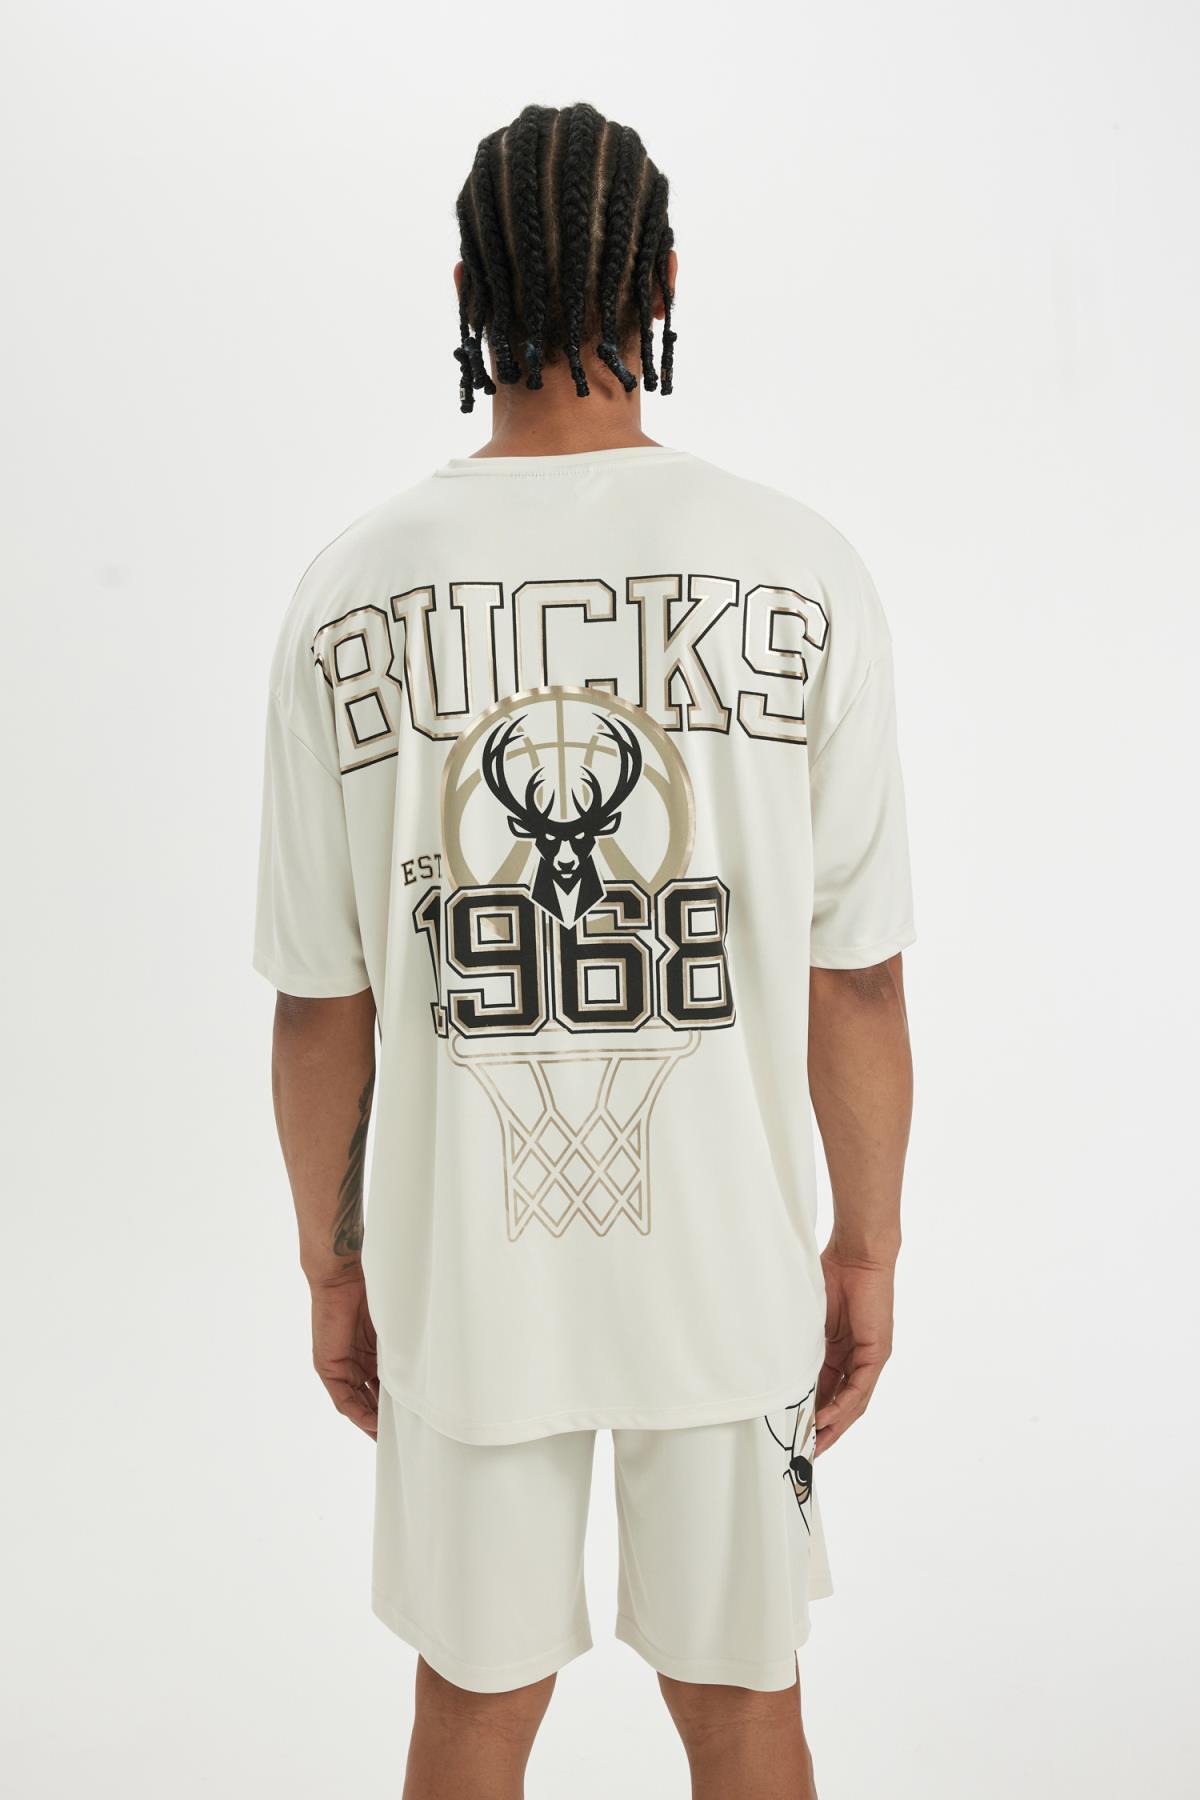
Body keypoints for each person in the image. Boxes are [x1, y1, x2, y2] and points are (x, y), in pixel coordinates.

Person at [254, 100, 915, 1800]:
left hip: (463, 1275)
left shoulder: (353, 591)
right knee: (747, 1705)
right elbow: (855, 975)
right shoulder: (800, 570)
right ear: (665, 281)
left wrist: (337, 1265)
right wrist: (864, 1248)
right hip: (729, 1266)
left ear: (467, 292)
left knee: (470, 1707)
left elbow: (323, 1004)